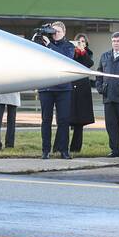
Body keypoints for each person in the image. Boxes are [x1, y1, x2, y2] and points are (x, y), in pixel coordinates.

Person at [37, 21, 75, 159]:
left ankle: (63, 150)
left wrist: (50, 45)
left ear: (64, 32)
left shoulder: (69, 46)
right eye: (53, 31)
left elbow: (65, 58)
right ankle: (45, 150)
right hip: (46, 88)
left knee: (64, 120)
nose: (55, 34)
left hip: (63, 89)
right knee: (46, 120)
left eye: (58, 31)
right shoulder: (42, 44)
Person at [69, 34, 96, 153]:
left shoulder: (88, 53)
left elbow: (88, 64)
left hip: (82, 89)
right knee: (66, 118)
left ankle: (76, 148)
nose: (81, 43)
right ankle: (60, 146)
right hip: (70, 86)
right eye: (78, 41)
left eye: (83, 41)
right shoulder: (70, 51)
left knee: (79, 121)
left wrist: (82, 51)